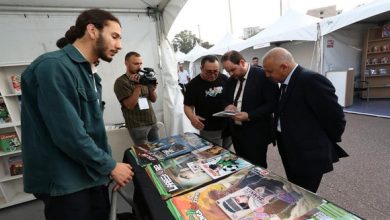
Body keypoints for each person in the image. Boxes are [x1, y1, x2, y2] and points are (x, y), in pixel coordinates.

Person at [21, 9, 134, 220]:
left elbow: (94, 130)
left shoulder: (89, 73)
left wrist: (108, 167)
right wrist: (110, 166)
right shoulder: (53, 67)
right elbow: (69, 134)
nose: (119, 45)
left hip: (90, 174)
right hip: (65, 182)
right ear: (92, 30)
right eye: (115, 36)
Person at [262, 47, 348, 193]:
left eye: (270, 71)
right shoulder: (285, 83)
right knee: (295, 188)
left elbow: (336, 117)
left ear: (284, 67)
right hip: (290, 149)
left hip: (308, 154)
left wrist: (322, 141)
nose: (266, 75)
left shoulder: (310, 79)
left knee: (304, 194)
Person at [221, 50, 279, 168]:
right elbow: (224, 98)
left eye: (232, 69)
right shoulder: (232, 79)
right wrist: (227, 105)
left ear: (242, 62)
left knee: (257, 167)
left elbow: (272, 104)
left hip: (256, 132)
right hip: (236, 131)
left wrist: (249, 115)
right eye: (228, 71)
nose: (231, 74)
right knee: (242, 164)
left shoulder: (263, 76)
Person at [114, 51, 159, 146]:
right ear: (126, 63)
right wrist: (138, 86)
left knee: (157, 150)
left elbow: (154, 99)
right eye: (135, 63)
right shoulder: (121, 82)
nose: (139, 66)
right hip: (137, 125)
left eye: (140, 63)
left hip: (152, 121)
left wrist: (151, 89)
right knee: (144, 154)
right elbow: (130, 105)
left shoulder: (144, 78)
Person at [184, 55, 230, 147]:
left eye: (216, 71)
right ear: (201, 68)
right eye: (208, 72)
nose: (212, 75)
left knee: (228, 154)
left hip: (228, 125)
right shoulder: (193, 85)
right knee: (214, 155)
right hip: (209, 128)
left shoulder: (224, 78)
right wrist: (192, 118)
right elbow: (188, 106)